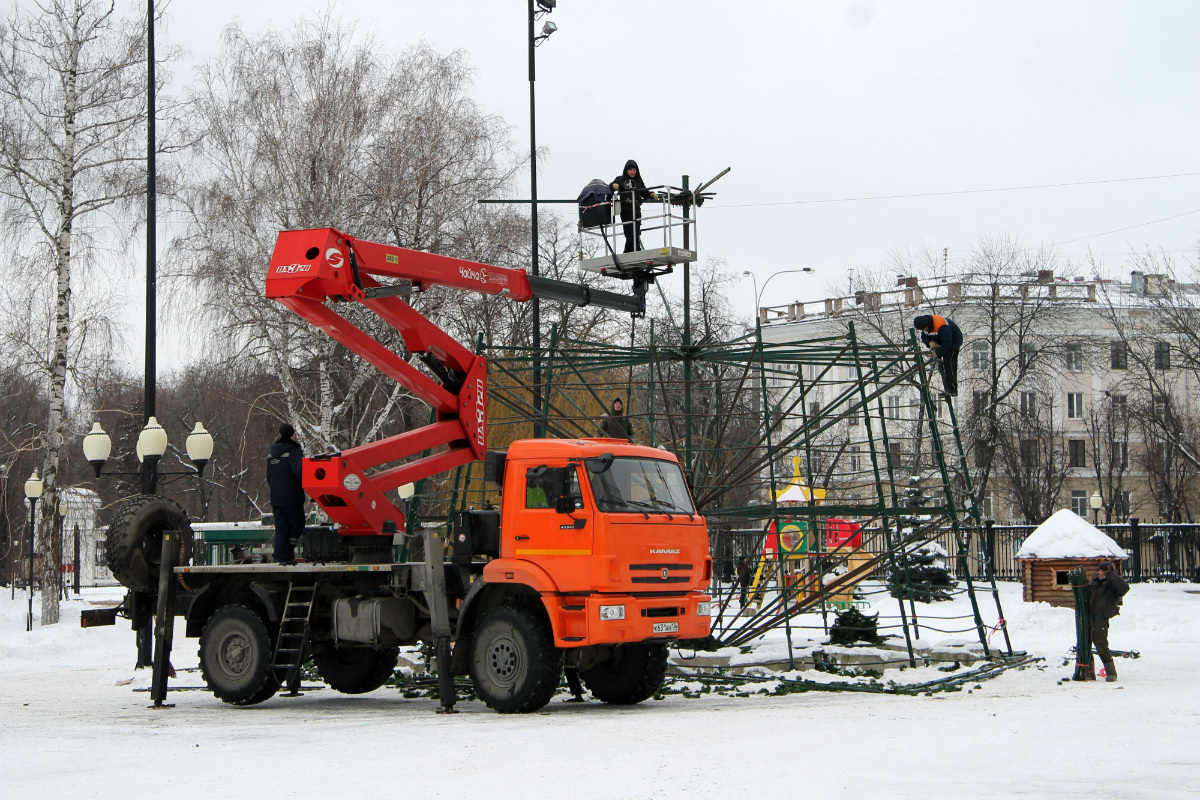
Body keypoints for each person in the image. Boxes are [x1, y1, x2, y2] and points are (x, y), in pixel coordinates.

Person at [267, 423, 306, 565]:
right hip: (292, 496)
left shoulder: (272, 453)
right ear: (292, 434)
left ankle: (281, 554)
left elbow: (269, 476)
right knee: (297, 525)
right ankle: (287, 552)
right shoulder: (294, 450)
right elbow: (299, 470)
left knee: (281, 526)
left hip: (276, 497)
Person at [1088, 560, 1129, 682]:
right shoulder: (1096, 582)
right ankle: (1088, 671)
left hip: (1101, 618)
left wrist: (1111, 574)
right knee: (1085, 643)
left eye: (1102, 571)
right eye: (1099, 570)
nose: (1100, 573)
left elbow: (1124, 589)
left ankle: (1111, 673)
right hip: (1089, 616)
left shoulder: (1112, 584)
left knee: (1101, 644)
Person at [913, 314, 963, 397]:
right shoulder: (925, 326)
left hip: (953, 342)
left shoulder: (942, 325)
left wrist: (938, 353)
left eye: (924, 328)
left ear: (928, 324)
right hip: (942, 341)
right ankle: (947, 388)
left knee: (949, 364)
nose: (924, 330)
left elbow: (948, 342)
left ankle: (952, 389)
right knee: (941, 367)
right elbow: (924, 337)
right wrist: (929, 343)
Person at [610, 159, 653, 253]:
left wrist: (651, 194)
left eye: (634, 170)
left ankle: (627, 252)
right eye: (630, 170)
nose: (632, 172)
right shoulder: (620, 179)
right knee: (629, 232)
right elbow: (610, 188)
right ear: (626, 170)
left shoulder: (638, 181)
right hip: (626, 208)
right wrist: (614, 186)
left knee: (636, 232)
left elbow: (644, 192)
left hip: (636, 209)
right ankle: (637, 249)